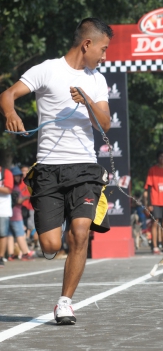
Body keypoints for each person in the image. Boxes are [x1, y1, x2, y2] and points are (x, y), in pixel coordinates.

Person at [0, 18, 114, 324]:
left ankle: (65, 303)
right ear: (86, 44)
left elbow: (104, 125)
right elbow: (7, 95)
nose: (104, 56)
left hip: (85, 169)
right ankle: (58, 215)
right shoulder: (46, 70)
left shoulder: (97, 80)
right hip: (49, 170)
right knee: (51, 246)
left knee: (80, 234)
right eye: (103, 49)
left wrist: (87, 101)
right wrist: (11, 114)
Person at [5, 166, 34, 261]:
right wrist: (26, 198)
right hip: (16, 215)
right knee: (20, 234)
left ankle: (10, 254)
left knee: (10, 235)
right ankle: (26, 253)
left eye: (18, 176)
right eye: (15, 176)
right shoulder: (14, 187)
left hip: (10, 214)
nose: (17, 178)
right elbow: (17, 201)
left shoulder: (13, 186)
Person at [0, 166, 14, 268]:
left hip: (2, 209)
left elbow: (8, 189)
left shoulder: (5, 172)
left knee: (2, 234)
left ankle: (0, 257)